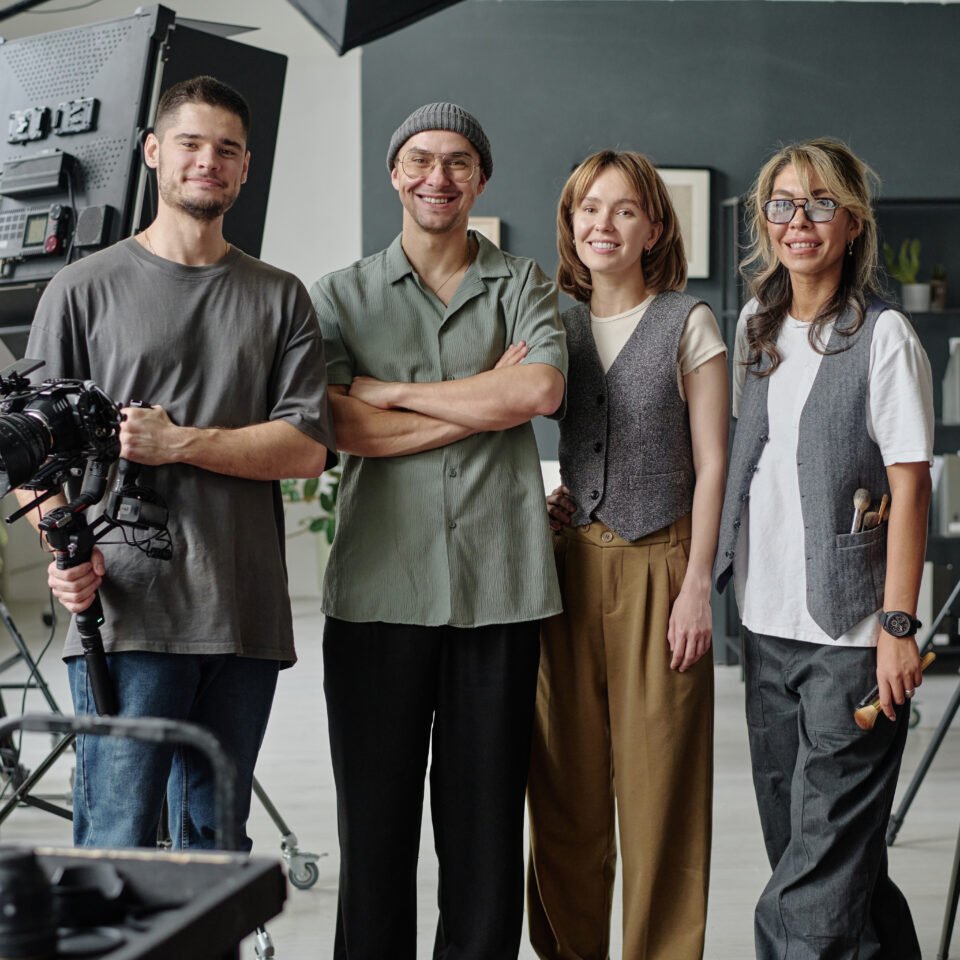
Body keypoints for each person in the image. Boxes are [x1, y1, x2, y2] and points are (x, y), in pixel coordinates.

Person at [17, 75, 335, 850]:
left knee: (216, 846)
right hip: (128, 611)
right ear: (155, 152)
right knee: (118, 841)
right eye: (190, 143)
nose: (208, 161)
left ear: (246, 168)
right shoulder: (81, 290)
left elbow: (305, 448)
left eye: (227, 149)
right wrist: (60, 548)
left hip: (243, 612)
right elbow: (29, 446)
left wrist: (181, 441)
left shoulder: (279, 297)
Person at [311, 101, 567, 959]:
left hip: (500, 593)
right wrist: (475, 402)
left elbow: (536, 394)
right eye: (420, 159)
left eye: (458, 162)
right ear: (395, 173)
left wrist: (393, 391)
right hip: (379, 592)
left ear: (480, 179)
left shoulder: (526, 284)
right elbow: (340, 431)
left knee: (486, 836)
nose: (438, 177)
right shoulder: (340, 296)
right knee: (375, 835)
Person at [714, 138, 932, 959]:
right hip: (767, 627)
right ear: (763, 220)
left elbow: (911, 486)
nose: (797, 220)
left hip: (850, 638)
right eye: (781, 203)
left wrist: (898, 625)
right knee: (825, 861)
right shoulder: (754, 325)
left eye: (818, 204)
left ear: (852, 222)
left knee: (806, 893)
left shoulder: (884, 338)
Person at [526, 150, 728, 960]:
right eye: (588, 209)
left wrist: (697, 589)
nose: (603, 224)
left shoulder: (690, 322)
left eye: (623, 210)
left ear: (653, 227)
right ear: (571, 224)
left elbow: (714, 461)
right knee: (565, 790)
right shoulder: (549, 319)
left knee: (662, 796)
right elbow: (512, 425)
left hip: (660, 568)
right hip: (568, 571)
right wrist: (537, 501)